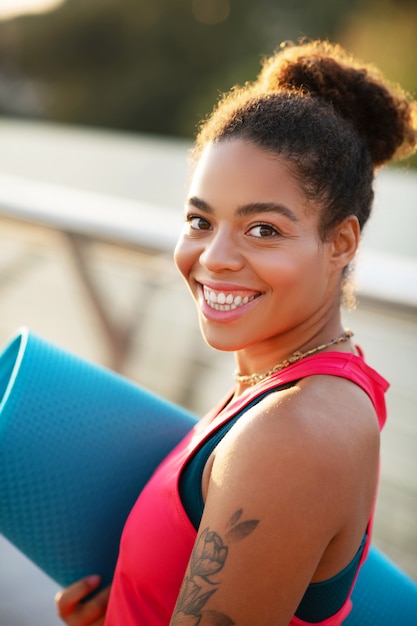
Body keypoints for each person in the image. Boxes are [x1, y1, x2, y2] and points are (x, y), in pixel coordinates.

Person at [55, 39, 416, 626]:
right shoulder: (283, 387)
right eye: (201, 220)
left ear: (341, 243)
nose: (215, 258)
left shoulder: (293, 432)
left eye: (264, 229)